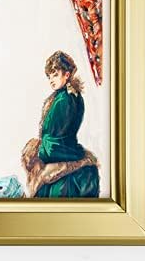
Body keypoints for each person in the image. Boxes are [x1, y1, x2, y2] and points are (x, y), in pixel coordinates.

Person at [20, 51, 99, 198]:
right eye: (49, 76)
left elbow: (57, 138)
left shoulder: (65, 99)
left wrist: (40, 150)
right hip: (61, 150)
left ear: (67, 74)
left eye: (55, 75)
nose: (51, 80)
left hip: (61, 153)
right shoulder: (63, 96)